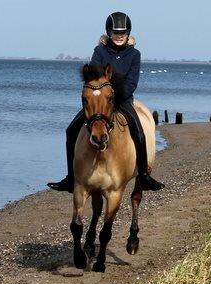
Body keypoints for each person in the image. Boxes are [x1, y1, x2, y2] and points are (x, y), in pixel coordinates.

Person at [48, 11, 165, 193]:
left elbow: (132, 82)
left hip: (123, 100)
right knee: (71, 130)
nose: (119, 36)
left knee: (139, 132)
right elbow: (94, 76)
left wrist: (115, 97)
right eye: (116, 33)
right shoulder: (99, 51)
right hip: (100, 103)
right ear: (109, 33)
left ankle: (144, 175)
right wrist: (102, 97)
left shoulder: (135, 55)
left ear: (128, 34)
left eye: (123, 33)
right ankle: (71, 178)